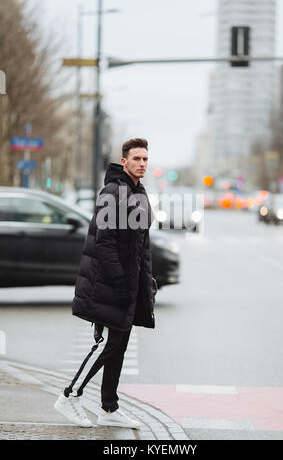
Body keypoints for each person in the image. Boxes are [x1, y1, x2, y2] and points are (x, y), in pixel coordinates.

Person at [54, 138, 157, 428]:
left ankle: (108, 409)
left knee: (120, 344)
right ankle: (69, 396)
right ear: (124, 162)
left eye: (145, 159)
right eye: (137, 159)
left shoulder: (137, 191)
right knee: (107, 345)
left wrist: (146, 281)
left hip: (128, 283)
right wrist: (122, 282)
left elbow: (140, 246)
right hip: (111, 284)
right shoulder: (114, 192)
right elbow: (105, 243)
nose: (142, 163)